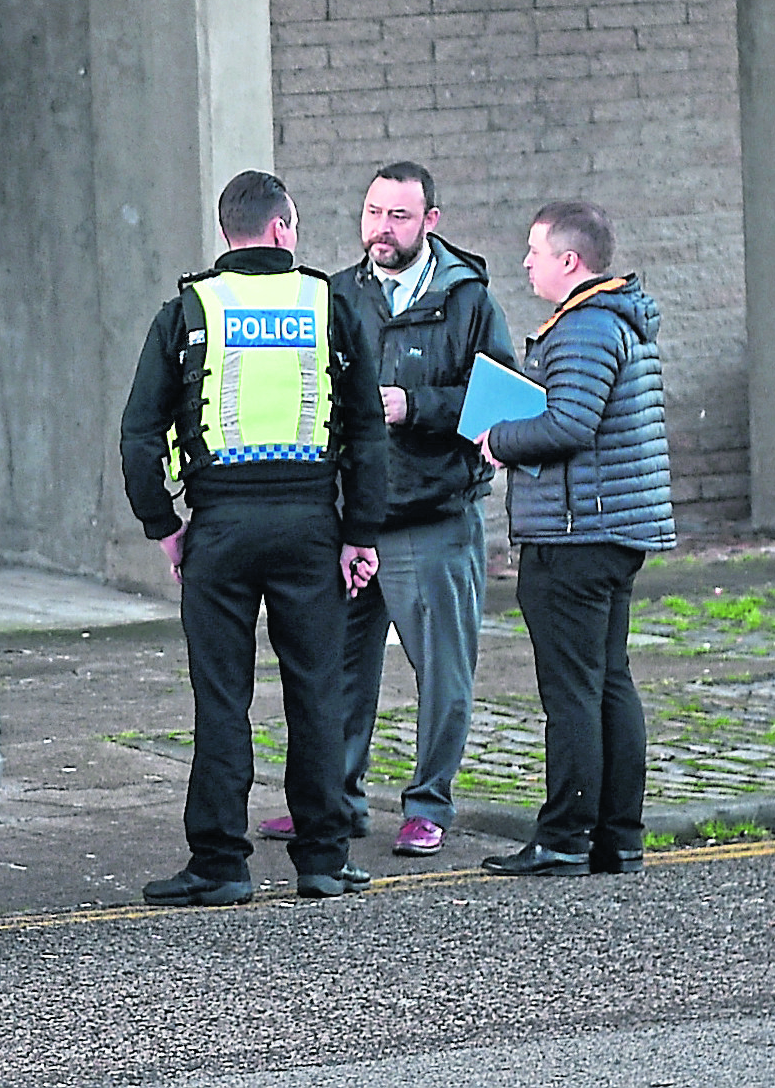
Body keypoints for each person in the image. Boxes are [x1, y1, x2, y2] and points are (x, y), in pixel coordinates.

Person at [121, 170, 393, 906]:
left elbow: (139, 433)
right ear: (282, 228)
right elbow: (367, 431)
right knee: (315, 693)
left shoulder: (187, 310)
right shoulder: (327, 304)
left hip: (219, 525)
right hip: (311, 524)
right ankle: (323, 859)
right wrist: (358, 532)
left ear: (225, 234)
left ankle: (219, 864)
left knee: (220, 698)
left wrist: (165, 526)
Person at [257, 161, 515, 858]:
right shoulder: (335, 294)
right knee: (335, 667)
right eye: (372, 212)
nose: (380, 228)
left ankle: (427, 804)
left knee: (441, 671)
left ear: (429, 221)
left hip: (433, 512)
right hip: (348, 517)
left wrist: (416, 405)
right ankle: (331, 798)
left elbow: (501, 404)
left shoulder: (468, 300)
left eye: (398, 216)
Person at [477, 199, 675, 877]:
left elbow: (568, 424)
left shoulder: (584, 328)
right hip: (610, 529)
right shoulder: (609, 319)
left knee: (572, 691)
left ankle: (564, 835)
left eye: (535, 250)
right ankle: (616, 836)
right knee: (606, 681)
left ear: (570, 260)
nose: (526, 262)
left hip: (576, 533)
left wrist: (496, 438)